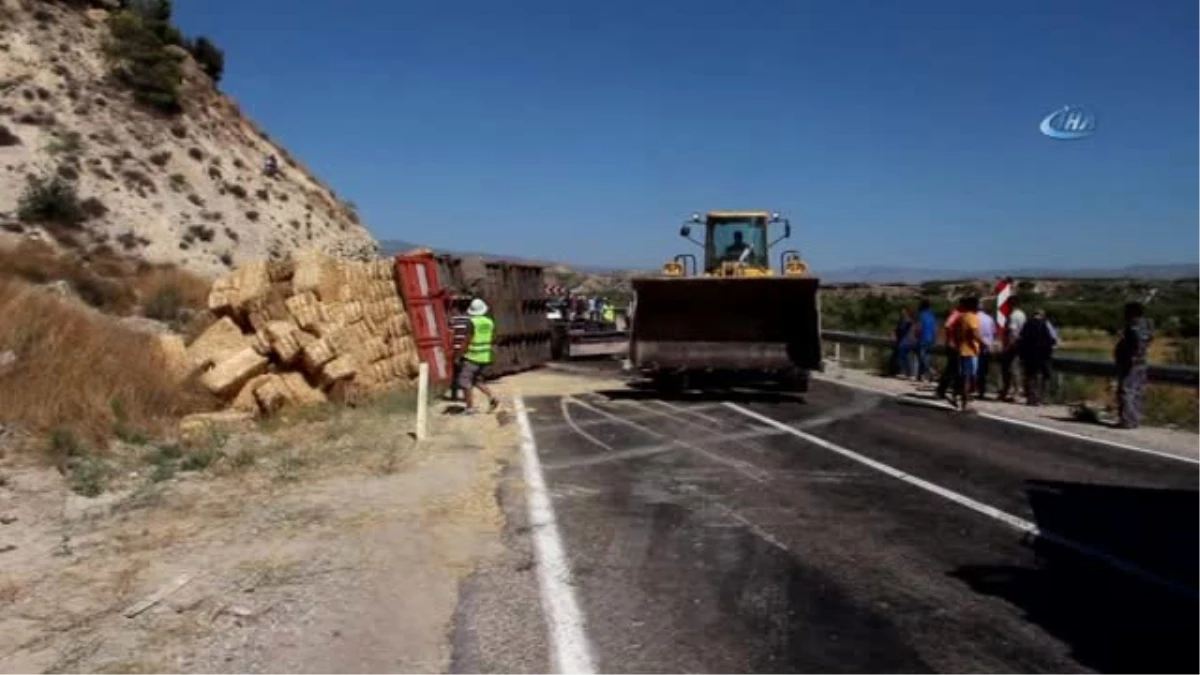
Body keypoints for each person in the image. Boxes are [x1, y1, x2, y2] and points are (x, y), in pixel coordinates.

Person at [455, 298, 500, 414]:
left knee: (464, 381)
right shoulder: (490, 322)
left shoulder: (472, 322)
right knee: (476, 380)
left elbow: (467, 341)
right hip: (485, 356)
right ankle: (492, 397)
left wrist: (459, 355)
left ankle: (469, 408)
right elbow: (494, 339)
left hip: (472, 356)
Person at [1114, 301, 1153, 428]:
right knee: (1137, 391)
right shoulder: (1147, 324)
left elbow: (1135, 339)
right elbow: (1150, 338)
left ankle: (1127, 420)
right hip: (1142, 362)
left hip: (1131, 363)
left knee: (1126, 391)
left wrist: (1133, 354)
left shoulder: (1133, 325)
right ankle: (1136, 419)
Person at [1019, 309, 1055, 405]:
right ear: (1042, 315)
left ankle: (1031, 398)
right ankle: (1042, 398)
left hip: (1029, 355)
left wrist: (1022, 354)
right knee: (1045, 376)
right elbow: (1052, 339)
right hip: (1044, 355)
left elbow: (1022, 339)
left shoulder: (1027, 324)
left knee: (1031, 376)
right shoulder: (1045, 324)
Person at [955, 297, 984, 412]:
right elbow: (974, 333)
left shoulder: (962, 317)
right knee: (968, 377)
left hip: (962, 348)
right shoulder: (972, 317)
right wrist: (984, 343)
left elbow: (957, 333)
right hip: (969, 351)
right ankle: (965, 402)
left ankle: (962, 399)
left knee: (964, 376)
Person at [998, 296, 1027, 402]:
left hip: (1012, 346)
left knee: (1008, 369)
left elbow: (1012, 332)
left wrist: (1007, 346)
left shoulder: (1013, 316)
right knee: (1015, 369)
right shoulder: (1022, 314)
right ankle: (1016, 391)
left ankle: (1011, 391)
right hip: (1020, 345)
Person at [936, 299, 965, 401]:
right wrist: (951, 339)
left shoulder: (963, 314)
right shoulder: (956, 313)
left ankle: (944, 390)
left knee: (953, 369)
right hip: (953, 346)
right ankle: (954, 391)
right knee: (955, 369)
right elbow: (947, 325)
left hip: (958, 346)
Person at [445, 297, 472, 402]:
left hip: (456, 350)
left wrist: (450, 348)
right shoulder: (470, 321)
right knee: (466, 374)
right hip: (467, 350)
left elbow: (450, 334)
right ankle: (467, 398)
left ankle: (454, 395)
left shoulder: (454, 320)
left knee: (456, 373)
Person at [976, 298, 998, 399]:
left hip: (975, 346)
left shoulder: (973, 318)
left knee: (973, 369)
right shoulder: (989, 319)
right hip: (987, 347)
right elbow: (994, 332)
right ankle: (982, 391)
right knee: (983, 371)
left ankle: (971, 388)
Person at [914, 300, 937, 382]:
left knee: (922, 358)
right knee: (926, 357)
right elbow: (935, 329)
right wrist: (934, 338)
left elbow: (918, 328)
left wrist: (916, 335)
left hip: (922, 338)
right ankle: (920, 375)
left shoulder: (921, 315)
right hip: (930, 339)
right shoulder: (932, 315)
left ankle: (930, 371)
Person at [890, 307, 915, 378]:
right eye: (901, 312)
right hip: (902, 342)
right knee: (903, 357)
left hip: (907, 342)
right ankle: (906, 372)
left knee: (904, 357)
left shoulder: (908, 320)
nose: (902, 313)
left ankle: (908, 373)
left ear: (907, 312)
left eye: (903, 312)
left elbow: (909, 324)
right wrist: (894, 333)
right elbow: (898, 329)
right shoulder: (901, 321)